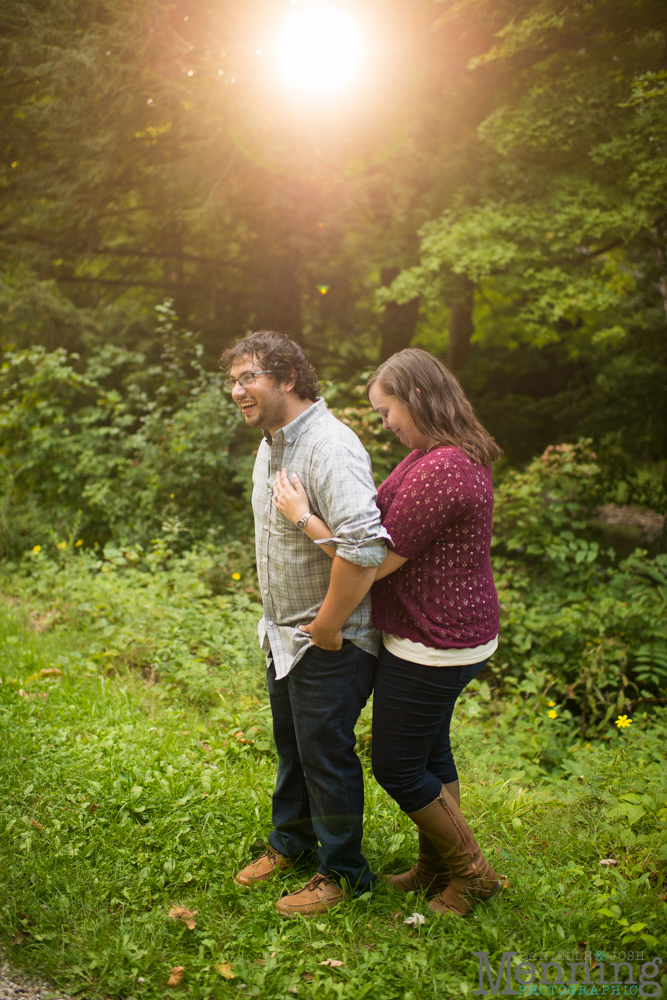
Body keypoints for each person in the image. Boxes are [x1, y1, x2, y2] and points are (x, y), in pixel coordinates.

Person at [272, 347, 502, 917]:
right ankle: (436, 865)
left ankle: (472, 875)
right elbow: (375, 524)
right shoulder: (436, 453)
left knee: (397, 765)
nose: (384, 424)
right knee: (429, 751)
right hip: (448, 633)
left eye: (385, 411)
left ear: (417, 396)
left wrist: (303, 517)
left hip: (434, 641)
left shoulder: (442, 468)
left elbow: (372, 561)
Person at [220, 331, 389, 918]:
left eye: (248, 378)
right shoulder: (271, 445)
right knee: (294, 747)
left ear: (288, 379)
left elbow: (366, 549)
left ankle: (344, 874)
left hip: (329, 638)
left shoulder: (330, 445)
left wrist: (326, 626)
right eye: (234, 379)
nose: (236, 389)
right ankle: (291, 841)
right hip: (284, 634)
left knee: (326, 754)